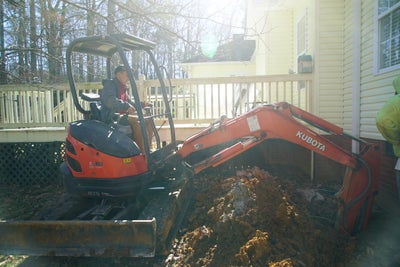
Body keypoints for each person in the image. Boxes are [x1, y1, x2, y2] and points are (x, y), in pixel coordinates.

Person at [100, 65, 147, 153]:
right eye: (127, 75)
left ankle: (148, 148)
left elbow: (130, 103)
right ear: (118, 74)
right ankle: (141, 152)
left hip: (122, 116)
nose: (129, 78)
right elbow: (110, 100)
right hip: (112, 117)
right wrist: (126, 106)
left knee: (148, 120)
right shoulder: (110, 85)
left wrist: (142, 104)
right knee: (137, 121)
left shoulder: (123, 87)